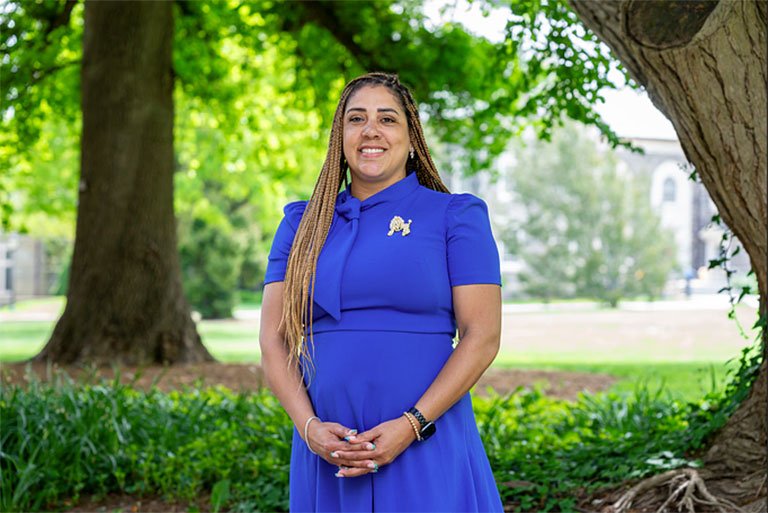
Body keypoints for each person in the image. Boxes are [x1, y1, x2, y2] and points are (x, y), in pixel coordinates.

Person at [259, 72, 504, 512]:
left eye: (387, 119)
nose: (371, 130)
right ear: (340, 138)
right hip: (329, 452)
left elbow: (482, 335)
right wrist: (309, 427)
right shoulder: (300, 225)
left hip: (427, 439)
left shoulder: (456, 216)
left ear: (412, 139)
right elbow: (274, 339)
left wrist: (411, 425)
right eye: (356, 119)